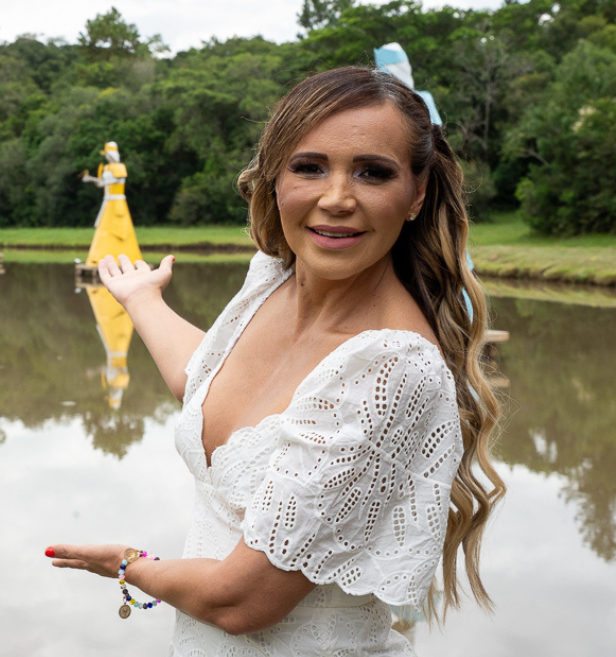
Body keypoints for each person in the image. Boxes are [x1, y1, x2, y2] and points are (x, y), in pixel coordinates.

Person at [46, 66, 505, 656]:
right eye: (309, 167)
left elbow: (241, 602)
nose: (336, 199)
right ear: (274, 180)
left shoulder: (392, 368)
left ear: (416, 193)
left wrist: (129, 565)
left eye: (373, 172)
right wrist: (142, 301)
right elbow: (208, 381)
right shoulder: (272, 278)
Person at [82, 141, 143, 266]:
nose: (107, 158)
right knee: (104, 229)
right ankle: (100, 258)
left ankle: (126, 259)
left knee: (120, 229)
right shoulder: (107, 168)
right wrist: (91, 179)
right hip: (108, 203)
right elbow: (101, 183)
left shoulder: (120, 168)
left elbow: (113, 180)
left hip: (117, 202)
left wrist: (98, 180)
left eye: (108, 155)